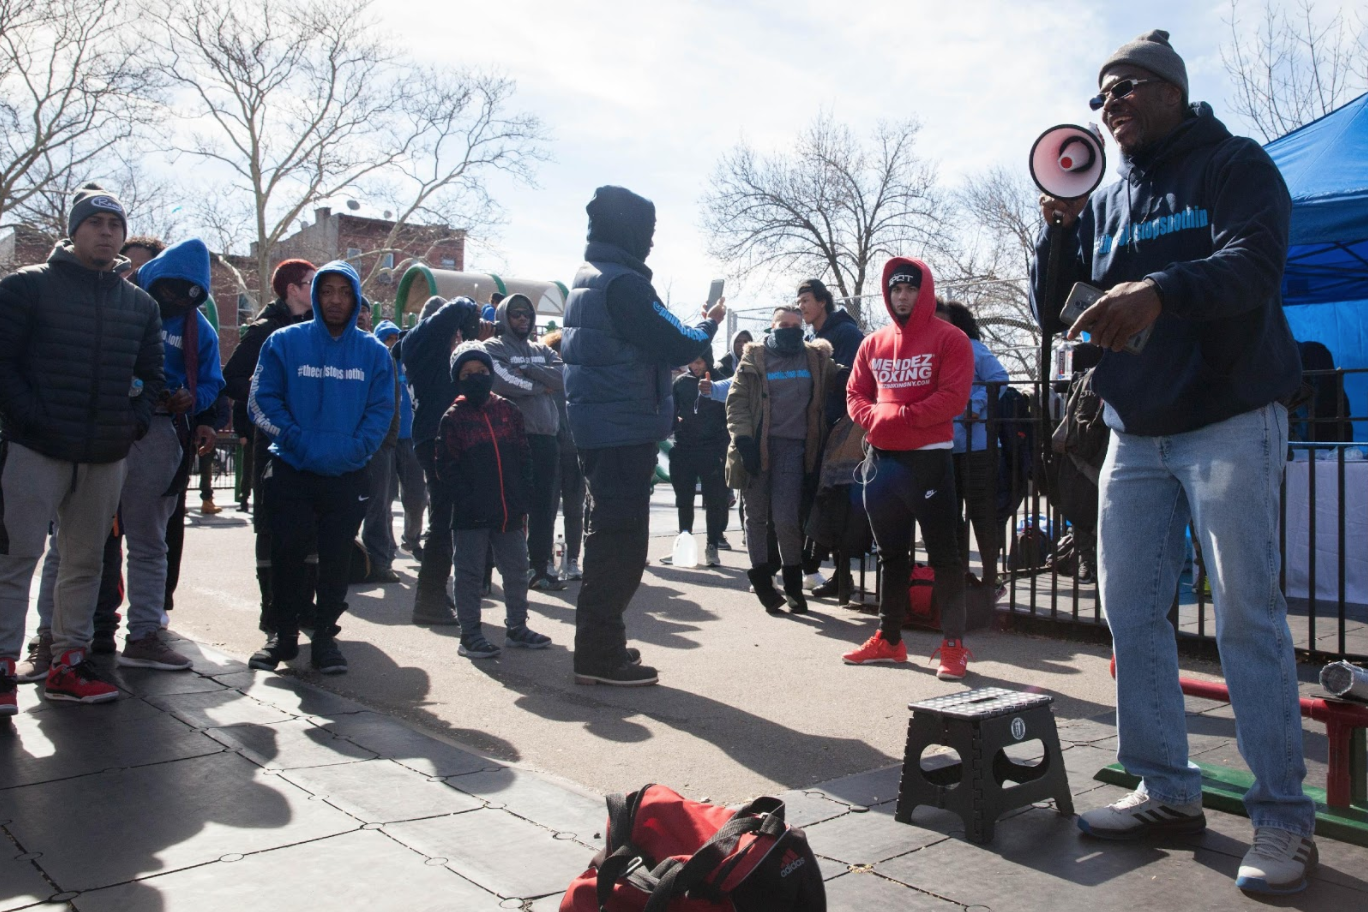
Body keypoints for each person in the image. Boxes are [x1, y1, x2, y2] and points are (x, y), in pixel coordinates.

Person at [1033, 30, 1316, 893]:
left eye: (1122, 89)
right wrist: (1059, 236)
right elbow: (1062, 314)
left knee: (1245, 615)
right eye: (1099, 97)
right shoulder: (1109, 200)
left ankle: (1282, 821)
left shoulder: (1234, 164)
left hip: (1229, 418)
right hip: (1134, 431)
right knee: (1131, 610)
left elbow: (1255, 264)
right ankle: (1166, 789)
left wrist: (1161, 290)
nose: (1107, 106)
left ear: (1168, 89)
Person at [0, 183, 164, 710]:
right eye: (95, 223)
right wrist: (31, 418)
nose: (106, 232)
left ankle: (68, 665)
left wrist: (130, 425)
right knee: (15, 557)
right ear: (73, 230)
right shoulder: (26, 287)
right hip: (34, 449)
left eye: (115, 225)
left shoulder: (139, 305)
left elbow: (150, 376)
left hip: (104, 455)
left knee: (85, 562)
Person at [562, 185, 724, 686]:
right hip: (620, 429)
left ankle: (602, 644)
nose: (651, 243)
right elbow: (679, 340)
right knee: (620, 546)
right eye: (647, 232)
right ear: (629, 231)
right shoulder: (624, 284)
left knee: (607, 536)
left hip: (601, 427)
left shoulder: (590, 277)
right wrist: (709, 321)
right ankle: (598, 654)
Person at [246, 261, 395, 675]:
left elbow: (382, 410)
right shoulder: (283, 342)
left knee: (335, 560)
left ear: (355, 298)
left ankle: (326, 638)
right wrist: (297, 439)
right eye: (326, 290)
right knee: (287, 554)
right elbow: (261, 400)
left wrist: (357, 449)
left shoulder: (373, 353)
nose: (334, 299)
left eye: (343, 292)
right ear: (315, 296)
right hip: (292, 468)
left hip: (348, 473)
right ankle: (284, 636)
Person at [841, 258, 974, 680]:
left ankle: (953, 645)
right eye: (896, 290)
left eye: (910, 290)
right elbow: (855, 392)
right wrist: (874, 419)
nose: (902, 296)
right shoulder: (872, 343)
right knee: (891, 555)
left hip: (929, 459)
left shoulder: (950, 339)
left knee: (945, 556)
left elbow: (953, 398)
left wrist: (898, 418)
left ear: (924, 292)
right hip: (881, 461)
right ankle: (890, 639)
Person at [116, 238, 224, 671]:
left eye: (188, 291)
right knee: (78, 540)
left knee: (149, 541)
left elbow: (213, 381)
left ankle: (144, 632)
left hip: (162, 431)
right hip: (106, 425)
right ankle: (62, 638)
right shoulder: (122, 304)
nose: (177, 298)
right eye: (170, 288)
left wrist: (191, 400)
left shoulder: (202, 330)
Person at [437, 342, 552, 659]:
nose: (476, 377)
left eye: (482, 371)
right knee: (470, 573)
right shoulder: (453, 418)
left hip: (509, 510)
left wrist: (523, 495)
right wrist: (468, 498)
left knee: (516, 570)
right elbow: (446, 469)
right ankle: (470, 634)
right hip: (471, 514)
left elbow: (524, 458)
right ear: (458, 379)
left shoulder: (508, 411)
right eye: (468, 373)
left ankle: (517, 627)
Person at [222, 259, 316, 634]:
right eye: (312, 283)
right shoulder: (264, 331)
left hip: (309, 446)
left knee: (310, 527)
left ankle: (305, 607)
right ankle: (272, 609)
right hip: (273, 444)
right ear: (292, 288)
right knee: (271, 527)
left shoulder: (316, 330)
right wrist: (276, 397)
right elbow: (231, 379)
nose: (318, 291)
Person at [725, 306, 836, 614]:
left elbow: (844, 377)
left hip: (795, 448)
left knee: (786, 518)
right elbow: (736, 403)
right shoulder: (754, 358)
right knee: (756, 517)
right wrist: (743, 439)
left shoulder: (815, 358)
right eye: (782, 324)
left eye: (794, 325)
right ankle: (762, 581)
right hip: (756, 446)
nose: (789, 329)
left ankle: (792, 585)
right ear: (772, 328)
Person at [399, 294, 492, 625]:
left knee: (448, 519)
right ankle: (429, 598)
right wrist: (468, 308)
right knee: (443, 521)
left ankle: (435, 594)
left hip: (440, 436)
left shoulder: (430, 353)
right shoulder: (419, 341)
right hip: (437, 438)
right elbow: (452, 310)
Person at [485, 293, 567, 591]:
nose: (523, 319)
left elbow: (563, 377)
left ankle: (540, 566)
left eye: (527, 315)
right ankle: (512, 568)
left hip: (547, 438)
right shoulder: (493, 347)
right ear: (505, 316)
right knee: (513, 506)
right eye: (516, 314)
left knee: (545, 507)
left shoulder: (539, 350)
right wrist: (539, 386)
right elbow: (502, 380)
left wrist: (530, 371)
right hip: (512, 439)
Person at [797, 278, 866, 592]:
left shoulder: (847, 333)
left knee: (840, 502)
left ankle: (843, 576)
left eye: (806, 300)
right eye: (799, 301)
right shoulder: (811, 336)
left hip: (842, 428)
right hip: (815, 427)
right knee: (818, 501)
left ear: (822, 301)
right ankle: (817, 570)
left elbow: (856, 378)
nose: (802, 307)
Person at [934, 299, 1009, 589]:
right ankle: (958, 576)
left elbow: (999, 379)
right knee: (950, 515)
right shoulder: (933, 353)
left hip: (977, 447)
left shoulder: (974, 349)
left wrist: (975, 406)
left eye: (943, 320)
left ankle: (991, 576)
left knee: (981, 513)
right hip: (943, 446)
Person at [668, 350, 730, 568]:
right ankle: (684, 543)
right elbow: (672, 410)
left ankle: (712, 545)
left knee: (714, 501)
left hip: (712, 449)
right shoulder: (681, 383)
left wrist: (724, 447)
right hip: (684, 447)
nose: (695, 366)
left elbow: (729, 415)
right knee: (684, 500)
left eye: (699, 362)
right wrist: (674, 422)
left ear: (708, 361)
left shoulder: (720, 382)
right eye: (692, 362)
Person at [374, 321, 427, 561]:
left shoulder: (411, 364)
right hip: (385, 441)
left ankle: (412, 539)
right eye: (388, 338)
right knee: (383, 498)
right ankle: (386, 545)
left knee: (416, 497)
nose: (394, 342)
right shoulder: (379, 366)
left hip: (411, 440)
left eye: (397, 338)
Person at [542, 329, 585, 579]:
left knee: (574, 510)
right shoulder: (545, 379)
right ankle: (545, 559)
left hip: (575, 452)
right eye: (558, 352)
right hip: (550, 450)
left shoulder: (580, 377)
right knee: (546, 509)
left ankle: (572, 560)